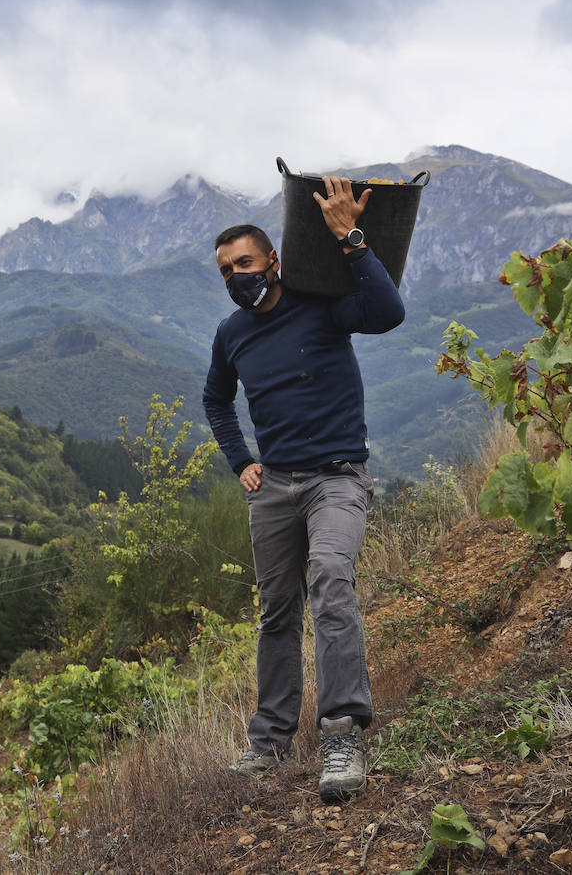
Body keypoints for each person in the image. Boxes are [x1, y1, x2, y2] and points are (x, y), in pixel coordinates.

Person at [202, 175, 405, 803]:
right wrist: (241, 461)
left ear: (273, 260)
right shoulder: (231, 334)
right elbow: (216, 400)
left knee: (331, 581)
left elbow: (388, 312)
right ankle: (270, 741)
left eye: (245, 263)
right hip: (275, 488)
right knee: (276, 613)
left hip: (337, 479)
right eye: (226, 270)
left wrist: (351, 237)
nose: (237, 276)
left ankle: (342, 733)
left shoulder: (320, 303)